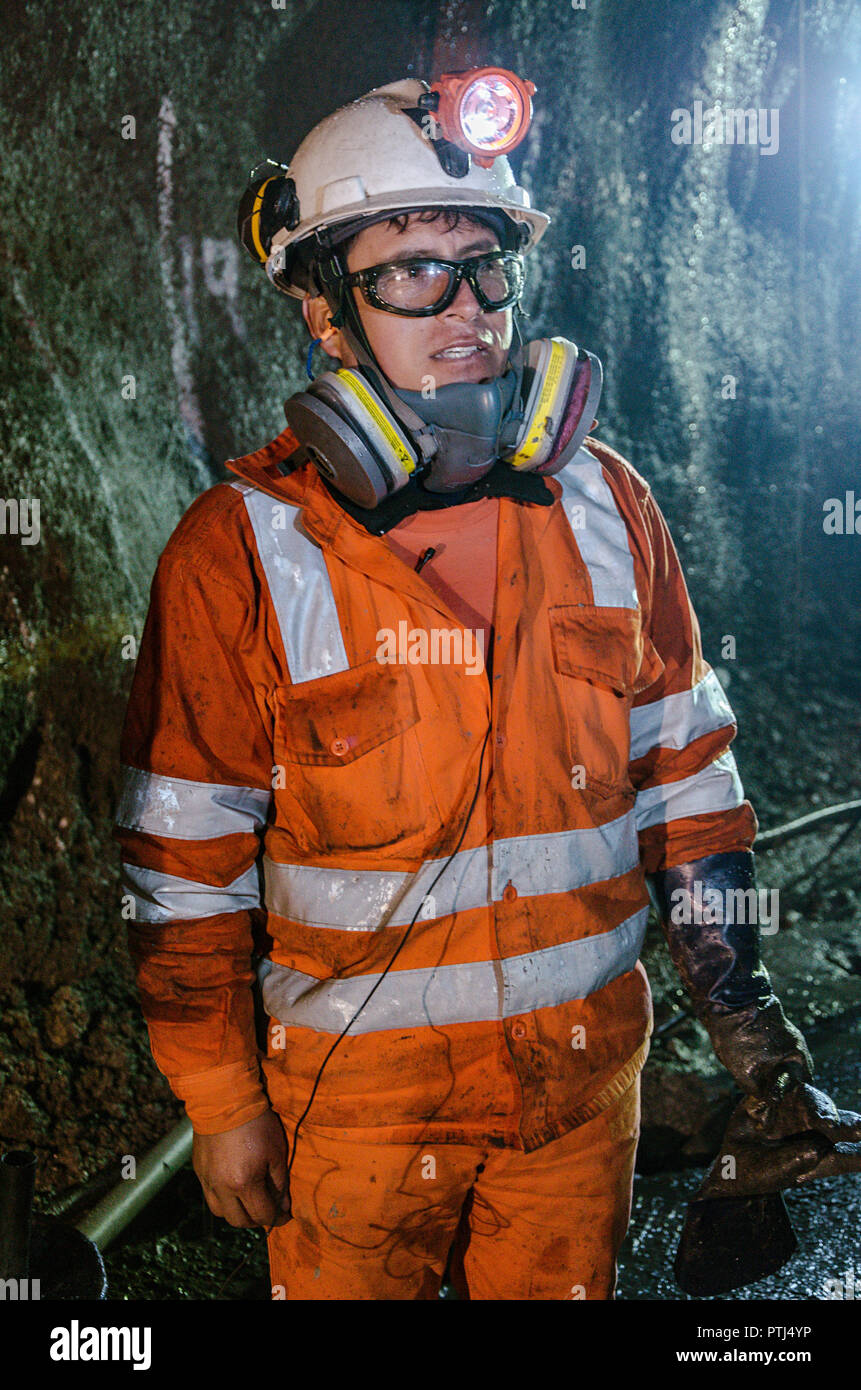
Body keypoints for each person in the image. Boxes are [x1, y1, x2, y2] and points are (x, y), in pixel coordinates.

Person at [114, 71, 860, 1301]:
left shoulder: (608, 507)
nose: (465, 308)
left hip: (578, 1099)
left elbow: (687, 779)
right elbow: (182, 866)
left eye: (486, 263)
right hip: (352, 1118)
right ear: (325, 311)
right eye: (412, 269)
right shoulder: (241, 550)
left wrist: (753, 1040)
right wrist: (221, 1099)